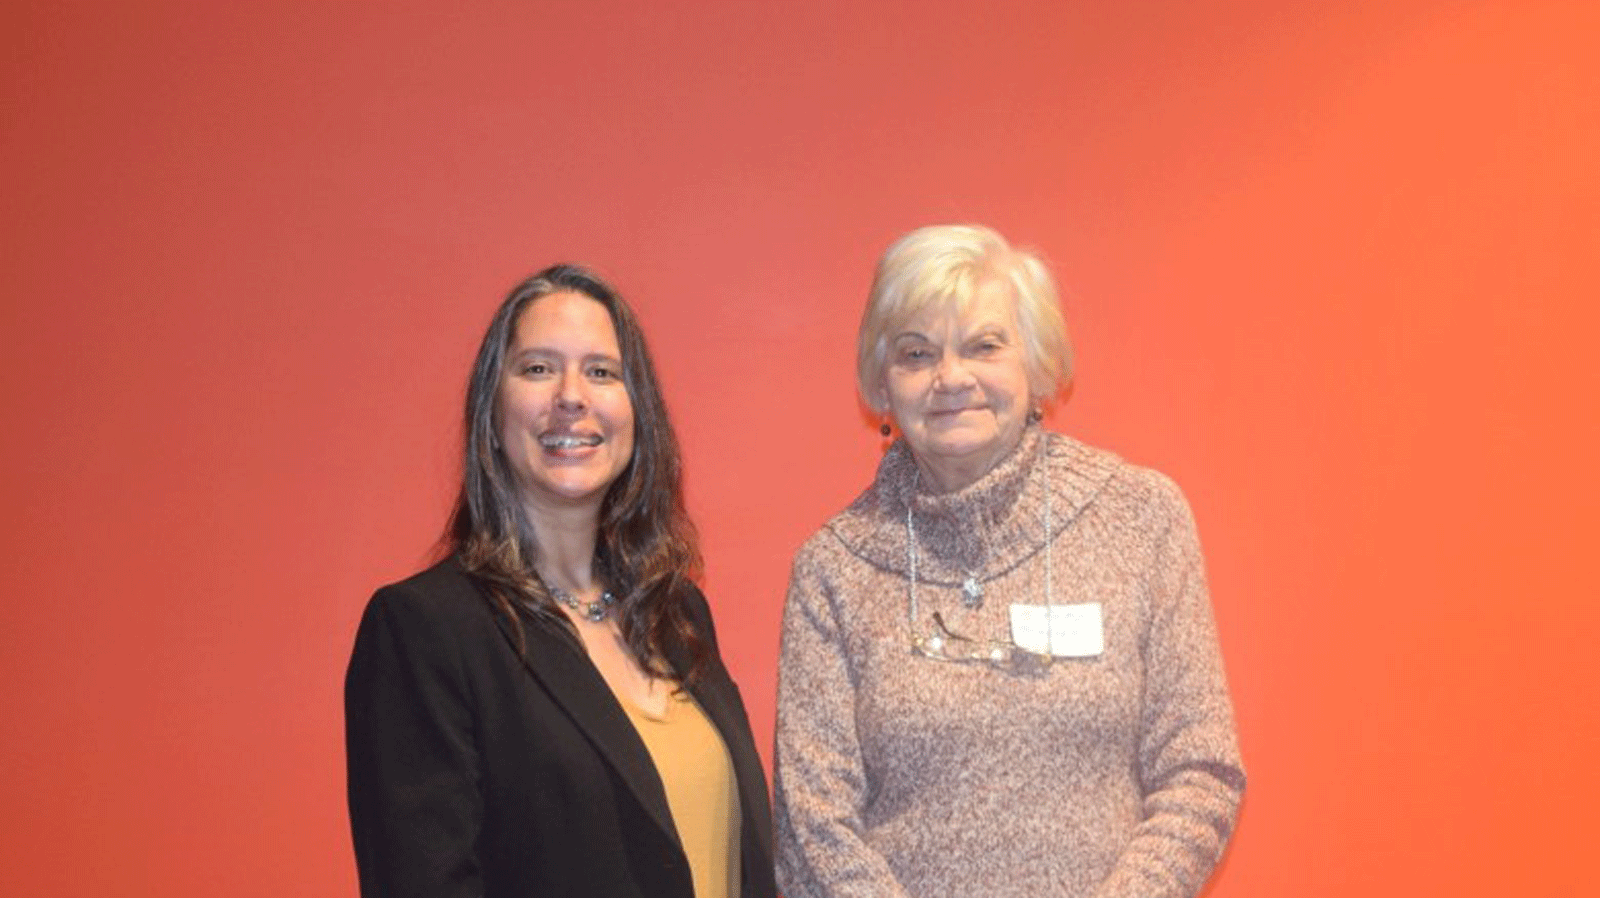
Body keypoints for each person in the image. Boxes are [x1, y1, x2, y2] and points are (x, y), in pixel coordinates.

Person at [773, 225, 1244, 898]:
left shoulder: (1142, 517)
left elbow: (1200, 771)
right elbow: (811, 827)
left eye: (984, 345)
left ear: (1038, 361)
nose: (951, 377)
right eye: (916, 353)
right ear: (883, 382)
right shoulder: (833, 569)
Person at [346, 264, 776, 898]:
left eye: (602, 372)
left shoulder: (676, 612)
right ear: (491, 412)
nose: (572, 396)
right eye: (538, 369)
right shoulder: (425, 631)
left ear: (637, 415)